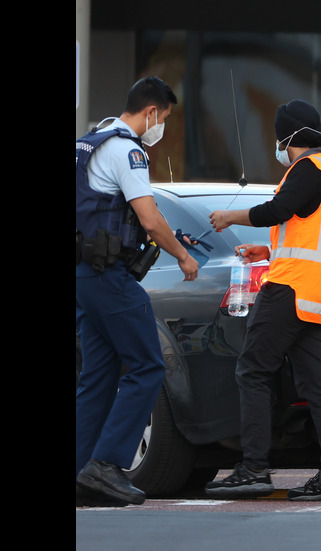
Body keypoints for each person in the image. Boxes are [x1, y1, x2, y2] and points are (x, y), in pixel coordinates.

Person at [205, 99, 321, 501]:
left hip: (289, 290)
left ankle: (253, 469)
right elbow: (305, 233)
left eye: (277, 134)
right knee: (317, 386)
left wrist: (229, 217)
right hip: (314, 295)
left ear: (288, 135)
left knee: (252, 371)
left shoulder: (306, 168)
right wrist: (267, 251)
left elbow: (278, 209)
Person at [76, 76, 200, 507]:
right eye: (163, 118)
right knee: (148, 365)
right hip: (109, 276)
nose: (161, 127)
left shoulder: (88, 142)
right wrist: (183, 256)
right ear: (150, 112)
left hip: (85, 275)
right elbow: (148, 218)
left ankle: (81, 474)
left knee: (98, 375)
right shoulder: (128, 149)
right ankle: (106, 465)